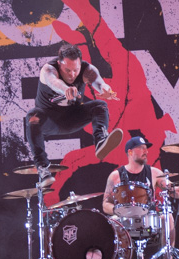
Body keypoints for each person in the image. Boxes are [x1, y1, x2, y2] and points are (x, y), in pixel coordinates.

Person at [27, 43, 123, 188]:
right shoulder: (48, 70)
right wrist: (66, 89)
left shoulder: (87, 70)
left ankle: (100, 141)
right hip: (50, 121)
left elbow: (99, 82)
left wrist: (106, 89)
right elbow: (54, 82)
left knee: (100, 106)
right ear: (59, 64)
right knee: (33, 116)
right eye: (67, 70)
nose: (72, 75)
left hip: (72, 118)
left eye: (75, 70)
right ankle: (43, 168)